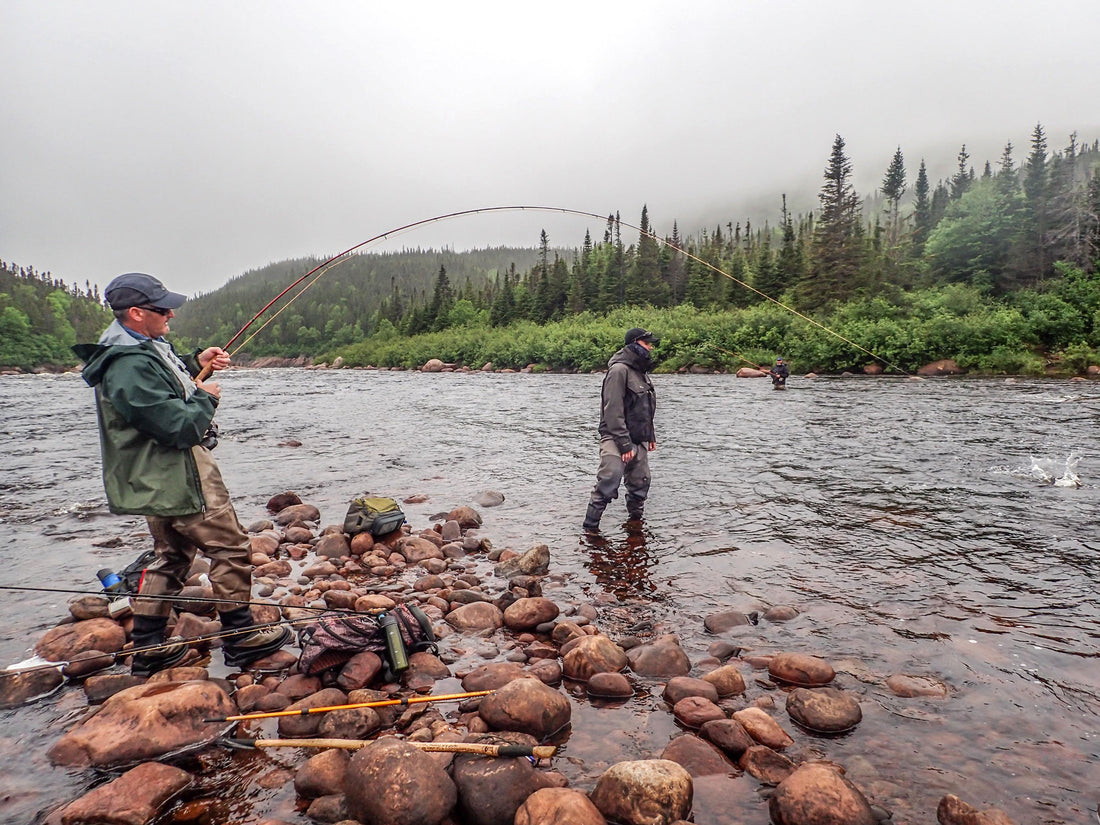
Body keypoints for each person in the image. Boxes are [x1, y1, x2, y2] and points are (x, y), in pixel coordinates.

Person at [74, 273, 291, 677]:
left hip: (156, 475)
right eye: (162, 308)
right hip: (178, 472)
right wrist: (207, 400)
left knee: (171, 556)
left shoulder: (137, 349)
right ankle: (240, 638)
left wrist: (197, 363)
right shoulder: (129, 365)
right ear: (137, 313)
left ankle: (149, 646)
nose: (171, 312)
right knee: (231, 548)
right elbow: (179, 427)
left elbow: (161, 389)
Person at [583, 327, 658, 531]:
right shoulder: (618, 371)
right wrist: (624, 445)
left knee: (641, 483)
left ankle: (635, 527)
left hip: (639, 437)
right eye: (647, 343)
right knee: (610, 480)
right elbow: (612, 411)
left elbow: (647, 406)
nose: (651, 347)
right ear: (634, 344)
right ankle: (590, 530)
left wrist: (650, 434)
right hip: (615, 437)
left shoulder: (641, 372)